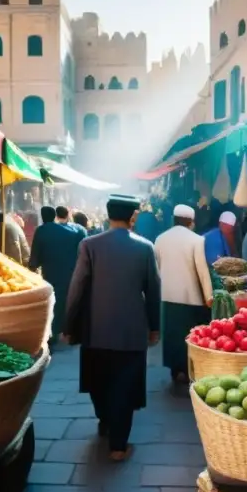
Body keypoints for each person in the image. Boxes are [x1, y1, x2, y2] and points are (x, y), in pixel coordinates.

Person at [63, 194, 161, 461]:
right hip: (131, 331)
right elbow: (153, 290)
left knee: (98, 380)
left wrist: (69, 324)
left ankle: (106, 420)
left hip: (95, 329)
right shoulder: (144, 247)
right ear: (133, 217)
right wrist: (155, 326)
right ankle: (118, 446)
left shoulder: (89, 245)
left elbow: (77, 287)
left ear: (108, 215)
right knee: (125, 384)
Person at [154, 204, 214, 381]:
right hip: (191, 295)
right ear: (191, 221)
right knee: (188, 333)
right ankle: (188, 368)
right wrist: (208, 295)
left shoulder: (160, 238)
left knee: (171, 333)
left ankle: (174, 369)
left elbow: (156, 268)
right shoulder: (196, 239)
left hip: (167, 295)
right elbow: (202, 270)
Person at [29, 206, 85, 340]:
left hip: (52, 272)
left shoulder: (42, 230)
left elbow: (35, 256)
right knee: (72, 298)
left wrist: (31, 268)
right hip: (74, 271)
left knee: (56, 301)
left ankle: (56, 331)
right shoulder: (77, 230)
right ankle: (73, 329)